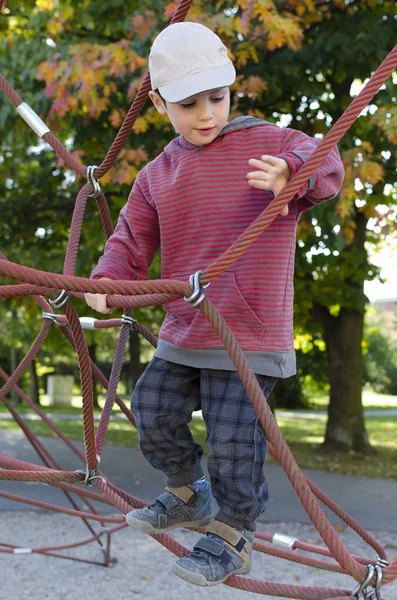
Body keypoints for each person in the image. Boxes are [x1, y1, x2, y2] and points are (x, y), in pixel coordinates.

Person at [85, 22, 344, 587]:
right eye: (188, 103)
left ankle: (233, 531)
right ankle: (188, 489)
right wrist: (107, 280)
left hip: (247, 333)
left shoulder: (270, 141)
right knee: (150, 410)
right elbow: (131, 240)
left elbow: (327, 164)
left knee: (232, 437)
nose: (206, 113)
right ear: (157, 103)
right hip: (186, 328)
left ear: (231, 91)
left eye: (217, 97)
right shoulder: (158, 174)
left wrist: (292, 179)